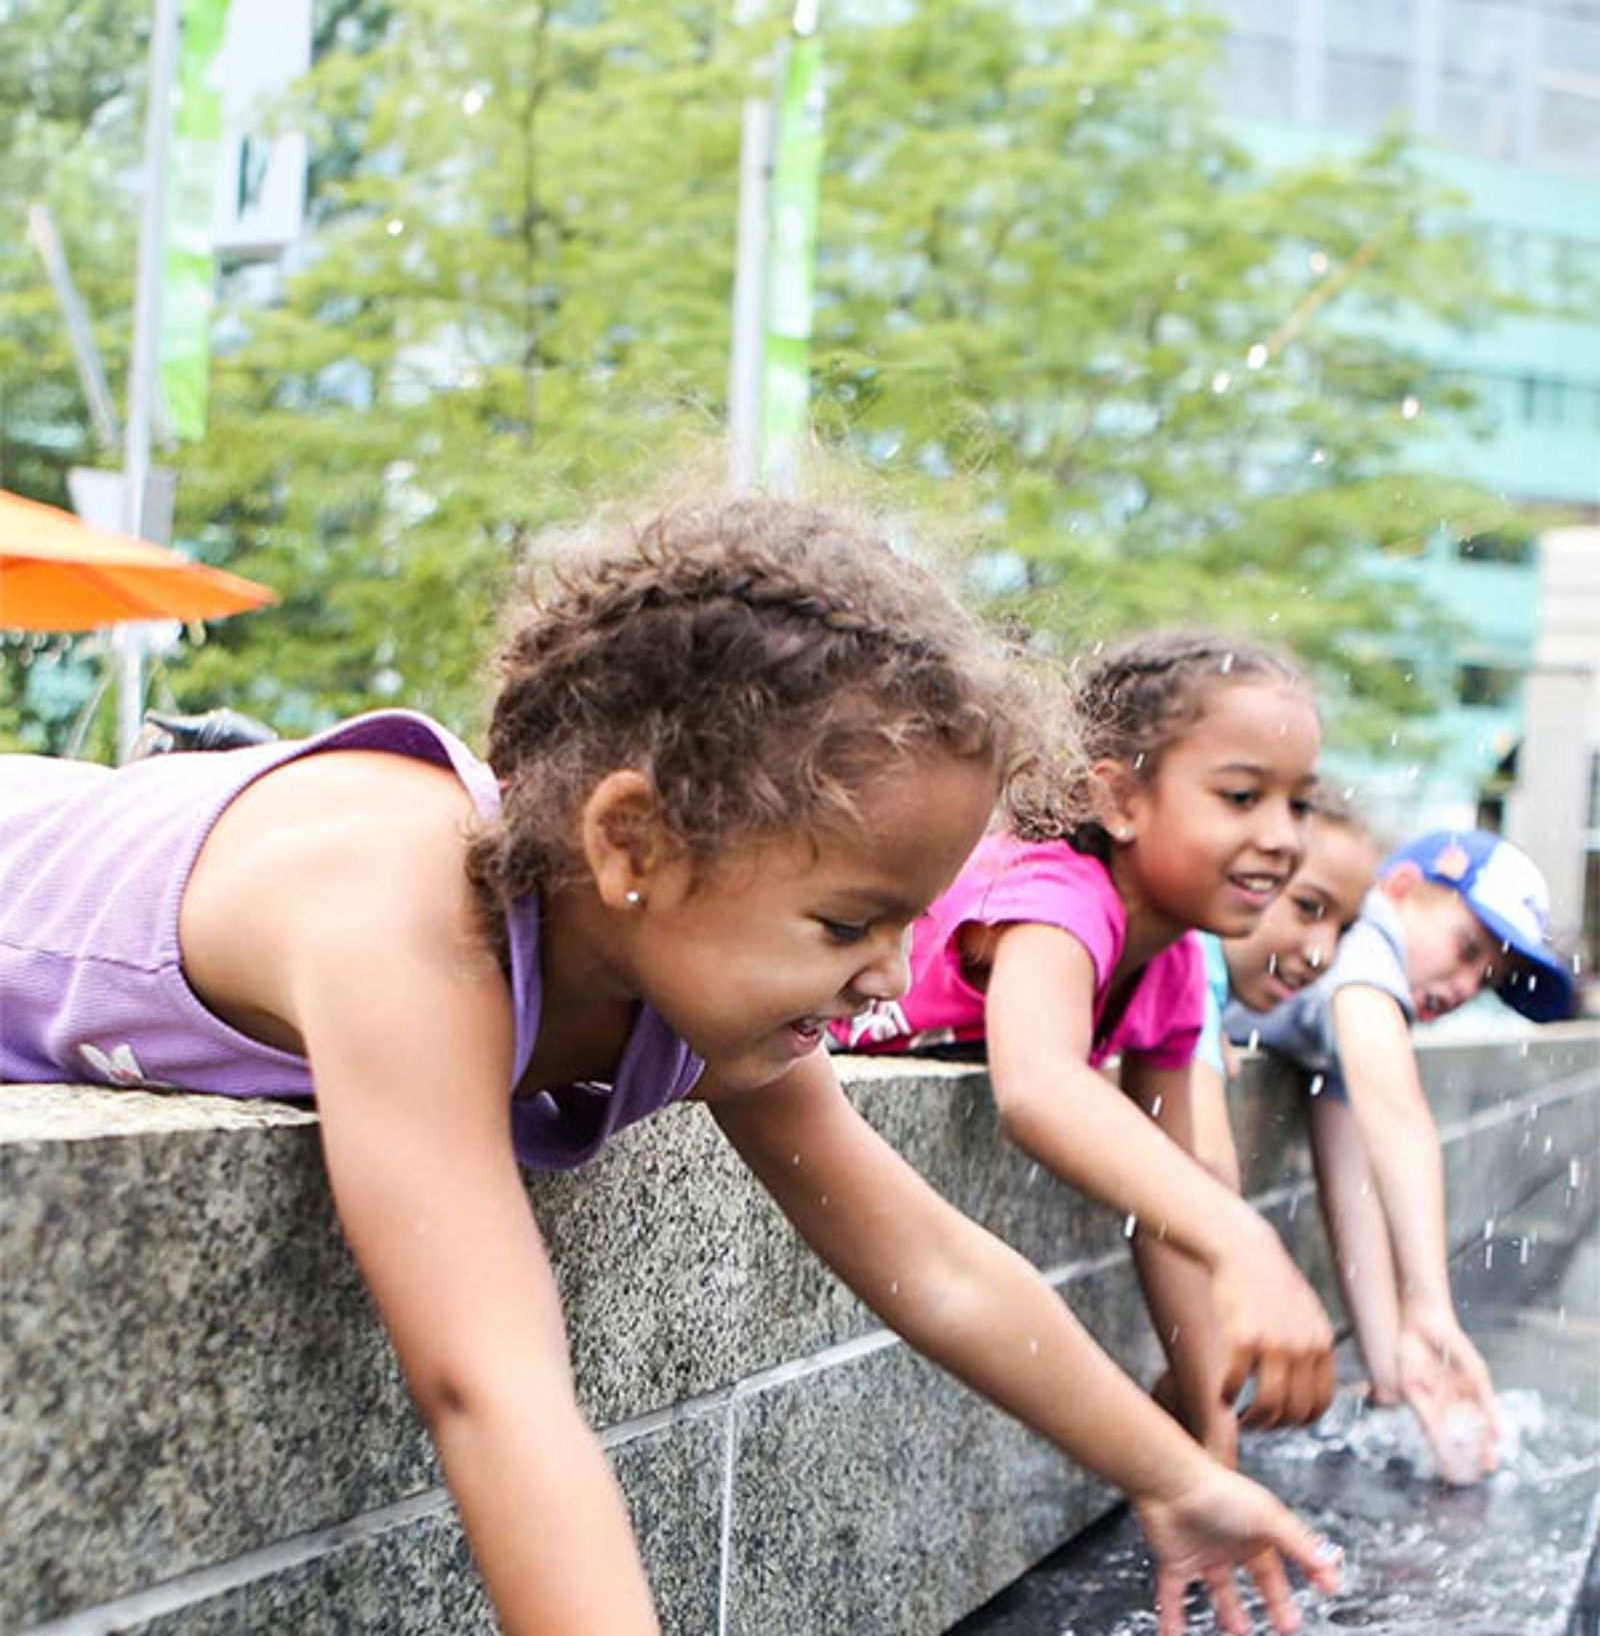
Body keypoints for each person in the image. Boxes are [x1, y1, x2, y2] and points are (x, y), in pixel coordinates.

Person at [0, 502, 1340, 1636]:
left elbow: (931, 1259)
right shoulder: (407, 919)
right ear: (633, 839)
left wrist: (1170, 1473)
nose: (888, 974)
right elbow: (492, 1381)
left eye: (905, 921)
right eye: (846, 921)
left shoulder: (689, 960)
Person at [834, 630, 1338, 1468]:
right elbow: (1036, 1087)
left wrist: (1210, 1441)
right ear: (1120, 798)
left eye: (1301, 803)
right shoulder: (1055, 895)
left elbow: (1169, 1199)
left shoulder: (1174, 957)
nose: (1285, 836)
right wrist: (1245, 1239)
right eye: (1243, 796)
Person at [1247, 824, 1575, 1483]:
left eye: (1486, 978)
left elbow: (1354, 1185)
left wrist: (1393, 1371)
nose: (1463, 985)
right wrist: (1431, 1305)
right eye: (1466, 948)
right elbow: (1397, 1113)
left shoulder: (1347, 1008)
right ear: (1399, 887)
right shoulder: (1363, 933)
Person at [1188, 793, 1380, 1194]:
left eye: (1344, 930)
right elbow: (1205, 1164)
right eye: (1308, 907)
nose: (1323, 954)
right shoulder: (1191, 958)